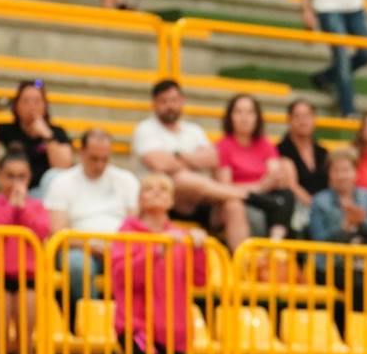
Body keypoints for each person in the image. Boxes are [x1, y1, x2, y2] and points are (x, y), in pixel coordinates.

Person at [82, 173, 209, 354]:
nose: (156, 193)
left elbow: (200, 279)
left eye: (163, 189)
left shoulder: (182, 236)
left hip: (174, 329)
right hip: (136, 325)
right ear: (139, 199)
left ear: (172, 200)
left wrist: (199, 250)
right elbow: (122, 276)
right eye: (149, 189)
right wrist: (157, 250)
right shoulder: (127, 233)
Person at [133, 79, 249, 248]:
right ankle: (244, 194)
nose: (169, 106)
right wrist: (195, 162)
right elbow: (160, 164)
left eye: (173, 100)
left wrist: (178, 156)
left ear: (182, 101)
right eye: (163, 101)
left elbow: (213, 158)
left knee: (234, 206)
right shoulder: (145, 129)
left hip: (199, 201)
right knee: (181, 179)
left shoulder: (194, 130)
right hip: (162, 202)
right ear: (154, 104)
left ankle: (240, 266)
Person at [44, 128, 140, 314]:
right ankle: (93, 319)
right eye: (94, 158)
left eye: (105, 159)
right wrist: (91, 245)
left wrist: (116, 246)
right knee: (78, 265)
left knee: (143, 263)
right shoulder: (62, 182)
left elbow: (134, 224)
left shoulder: (127, 180)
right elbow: (58, 232)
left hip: (119, 248)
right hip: (77, 248)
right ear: (82, 153)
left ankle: (132, 324)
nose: (99, 164)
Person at [0, 151, 52, 354]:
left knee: (25, 341)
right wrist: (11, 208)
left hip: (27, 279)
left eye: (21, 177)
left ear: (29, 178)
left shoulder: (36, 206)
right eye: (10, 176)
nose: (15, 182)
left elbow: (42, 231)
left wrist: (23, 208)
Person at [216, 93, 298, 242]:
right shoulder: (223, 146)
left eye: (249, 112)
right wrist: (259, 186)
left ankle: (275, 240)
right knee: (275, 205)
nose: (244, 118)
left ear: (257, 117)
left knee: (287, 195)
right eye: (238, 112)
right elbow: (225, 187)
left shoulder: (265, 144)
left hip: (263, 197)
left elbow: (275, 177)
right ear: (230, 117)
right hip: (243, 198)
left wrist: (266, 184)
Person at [0, 80, 72, 194]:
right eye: (26, 101)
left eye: (36, 101)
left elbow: (63, 167)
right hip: (15, 190)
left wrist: (47, 136)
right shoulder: (10, 129)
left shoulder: (56, 132)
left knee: (53, 177)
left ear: (45, 105)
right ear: (16, 106)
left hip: (45, 193)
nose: (31, 106)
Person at [277, 98, 329, 210]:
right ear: (289, 120)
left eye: (307, 116)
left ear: (314, 119)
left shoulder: (323, 152)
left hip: (324, 207)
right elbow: (290, 186)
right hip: (294, 208)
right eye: (297, 116)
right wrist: (316, 207)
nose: (303, 121)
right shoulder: (279, 151)